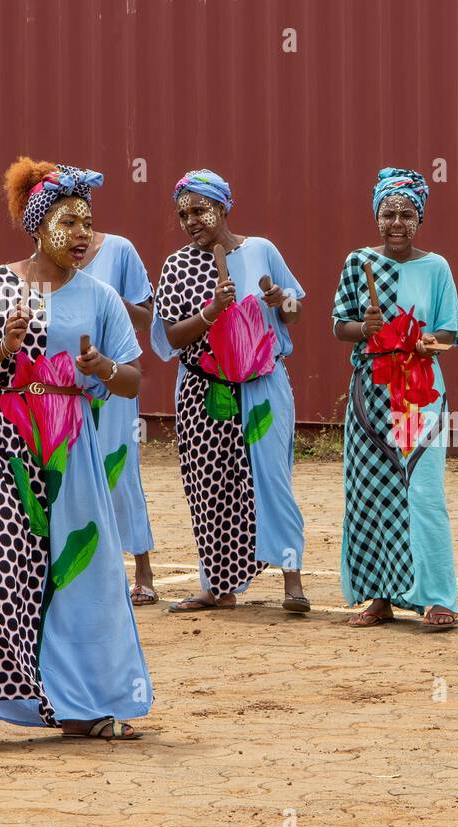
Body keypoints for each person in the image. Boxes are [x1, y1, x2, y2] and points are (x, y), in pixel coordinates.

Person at [0, 158, 151, 748]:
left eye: (88, 223)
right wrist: (1, 348)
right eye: (69, 221)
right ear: (37, 226)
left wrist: (102, 368)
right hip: (3, 449)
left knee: (81, 576)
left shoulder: (101, 296)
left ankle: (86, 707)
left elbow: (133, 378)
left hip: (72, 451)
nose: (83, 234)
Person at [151, 170, 309, 613]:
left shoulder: (261, 249)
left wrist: (282, 301)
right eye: (183, 214)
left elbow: (295, 312)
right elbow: (170, 337)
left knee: (272, 479)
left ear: (223, 206)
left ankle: (292, 581)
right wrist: (209, 313)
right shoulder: (177, 266)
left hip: (263, 383)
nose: (191, 221)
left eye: (200, 210)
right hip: (205, 391)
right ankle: (216, 587)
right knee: (210, 487)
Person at [331, 168, 458, 630]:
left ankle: (437, 597)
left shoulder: (436, 267)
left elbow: (451, 330)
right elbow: (339, 324)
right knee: (370, 493)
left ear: (420, 218)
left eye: (407, 214)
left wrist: (428, 342)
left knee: (420, 490)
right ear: (376, 216)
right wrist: (363, 329)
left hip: (416, 393)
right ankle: (378, 596)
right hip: (370, 393)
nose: (397, 223)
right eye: (389, 214)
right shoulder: (358, 263)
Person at [80, 227, 158, 605]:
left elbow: (145, 318)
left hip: (115, 377)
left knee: (119, 470)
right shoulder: (46, 260)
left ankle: (142, 568)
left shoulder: (120, 250)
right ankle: (86, 571)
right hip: (68, 381)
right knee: (73, 474)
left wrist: (107, 298)